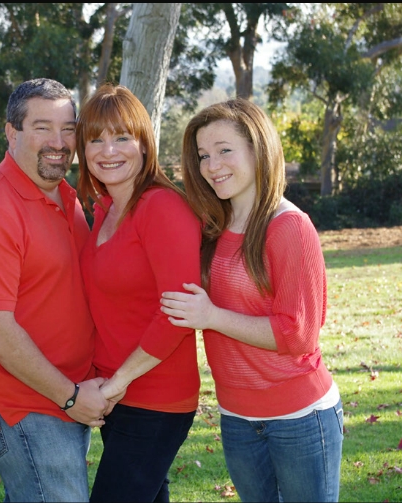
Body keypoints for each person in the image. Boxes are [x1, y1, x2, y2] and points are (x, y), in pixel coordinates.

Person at [160, 99, 343, 502]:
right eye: (203, 155)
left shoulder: (289, 226)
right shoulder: (212, 227)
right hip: (236, 417)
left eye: (225, 150)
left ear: (258, 149)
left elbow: (299, 334)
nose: (212, 166)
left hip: (299, 417)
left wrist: (211, 316)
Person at [0, 78, 109, 503]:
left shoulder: (64, 195)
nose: (58, 142)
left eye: (68, 128)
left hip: (67, 395)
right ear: (11, 132)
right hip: (26, 406)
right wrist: (70, 398)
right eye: (42, 127)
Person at [75, 84, 202, 502]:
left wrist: (117, 382)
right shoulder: (105, 209)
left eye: (122, 137)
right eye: (95, 139)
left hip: (154, 398)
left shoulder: (162, 207)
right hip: (115, 396)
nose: (108, 150)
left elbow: (177, 314)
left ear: (145, 144)